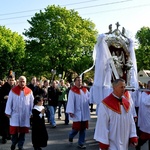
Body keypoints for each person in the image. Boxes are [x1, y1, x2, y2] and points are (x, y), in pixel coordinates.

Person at [94, 78, 138, 150]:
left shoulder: (127, 103)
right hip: (112, 142)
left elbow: (131, 122)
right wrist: (103, 142)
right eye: (121, 87)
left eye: (124, 87)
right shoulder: (105, 104)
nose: (123, 89)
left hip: (124, 141)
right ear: (114, 87)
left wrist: (133, 136)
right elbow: (102, 125)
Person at [5, 76, 34, 150]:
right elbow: (9, 102)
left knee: (22, 131)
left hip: (25, 115)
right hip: (15, 114)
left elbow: (32, 103)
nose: (22, 83)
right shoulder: (13, 91)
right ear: (18, 81)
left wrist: (32, 112)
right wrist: (8, 112)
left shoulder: (29, 91)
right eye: (20, 81)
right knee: (14, 131)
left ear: (26, 82)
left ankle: (20, 146)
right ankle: (14, 143)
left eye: (23, 81)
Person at [66, 76, 90, 149]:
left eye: (80, 80)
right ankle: (71, 136)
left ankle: (81, 143)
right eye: (78, 80)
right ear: (75, 82)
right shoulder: (72, 90)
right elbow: (70, 101)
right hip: (77, 112)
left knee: (83, 128)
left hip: (84, 112)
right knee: (76, 129)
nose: (80, 81)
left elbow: (89, 98)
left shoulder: (85, 90)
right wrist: (71, 111)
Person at [0, 75, 15, 144]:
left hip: (11, 107)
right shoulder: (4, 87)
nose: (11, 81)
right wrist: (4, 97)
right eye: (10, 80)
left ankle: (9, 135)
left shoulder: (14, 87)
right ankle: (4, 137)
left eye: (12, 80)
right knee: (4, 122)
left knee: (9, 122)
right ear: (8, 80)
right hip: (4, 106)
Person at [136, 80, 150, 150]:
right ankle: (137, 146)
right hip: (146, 122)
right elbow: (147, 102)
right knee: (143, 139)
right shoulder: (144, 94)